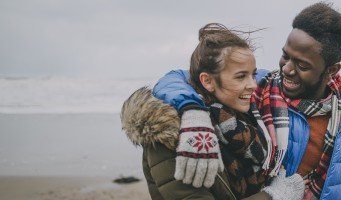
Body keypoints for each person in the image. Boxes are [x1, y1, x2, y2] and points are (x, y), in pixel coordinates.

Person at [153, 3, 341, 199]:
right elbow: (176, 79)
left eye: (302, 65)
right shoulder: (259, 86)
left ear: (331, 70)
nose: (286, 69)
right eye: (286, 55)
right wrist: (193, 112)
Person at [121, 23, 304, 200]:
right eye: (241, 76)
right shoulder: (173, 137)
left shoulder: (252, 118)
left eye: (253, 74)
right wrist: (274, 195)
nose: (253, 85)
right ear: (207, 81)